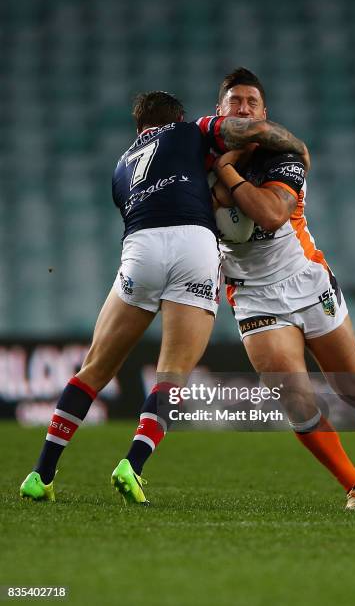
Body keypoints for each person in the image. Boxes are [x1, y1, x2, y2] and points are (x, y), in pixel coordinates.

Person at [20, 90, 309, 505]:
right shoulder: (192, 131)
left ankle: (41, 472)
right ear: (177, 117)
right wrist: (295, 149)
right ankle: (132, 464)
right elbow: (256, 129)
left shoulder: (121, 168)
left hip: (141, 246)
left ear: (140, 127)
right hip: (194, 242)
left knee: (95, 367)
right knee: (172, 373)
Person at [212, 68, 355, 510]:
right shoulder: (199, 157)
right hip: (253, 293)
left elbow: (272, 215)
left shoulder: (283, 156)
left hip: (306, 279)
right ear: (219, 112)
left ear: (263, 114)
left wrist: (225, 175)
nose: (242, 109)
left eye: (251, 103)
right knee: (292, 397)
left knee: (352, 386)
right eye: (234, 102)